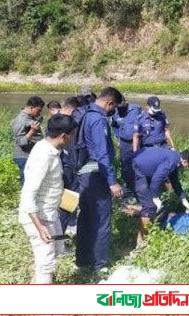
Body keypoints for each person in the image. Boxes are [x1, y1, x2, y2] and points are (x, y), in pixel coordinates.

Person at [18, 114, 78, 284]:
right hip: (38, 216)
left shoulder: (49, 149)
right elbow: (28, 194)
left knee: (56, 250)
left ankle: (36, 281)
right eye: (72, 135)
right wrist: (40, 226)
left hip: (49, 213)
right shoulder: (43, 157)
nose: (72, 138)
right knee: (46, 261)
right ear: (63, 136)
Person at [75, 87, 123, 273]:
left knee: (85, 217)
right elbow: (103, 154)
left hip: (85, 174)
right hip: (97, 174)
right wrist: (112, 181)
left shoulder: (86, 113)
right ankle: (100, 265)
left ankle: (82, 260)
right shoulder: (98, 120)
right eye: (114, 108)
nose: (113, 112)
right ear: (109, 103)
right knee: (102, 220)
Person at [132, 147, 189, 245]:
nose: (187, 169)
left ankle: (139, 214)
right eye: (188, 166)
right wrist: (154, 197)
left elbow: (175, 182)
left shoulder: (175, 159)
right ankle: (141, 241)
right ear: (185, 161)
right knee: (150, 206)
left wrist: (183, 199)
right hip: (138, 167)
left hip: (144, 166)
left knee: (150, 202)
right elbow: (157, 177)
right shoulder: (173, 161)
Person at [57, 96, 83, 235]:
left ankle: (70, 223)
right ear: (73, 109)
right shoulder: (70, 122)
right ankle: (63, 230)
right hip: (69, 166)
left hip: (65, 164)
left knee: (67, 198)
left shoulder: (57, 120)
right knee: (69, 197)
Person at [111, 97, 143, 201]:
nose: (120, 109)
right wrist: (118, 137)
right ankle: (130, 190)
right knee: (126, 168)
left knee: (139, 166)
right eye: (118, 107)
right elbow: (114, 125)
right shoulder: (115, 112)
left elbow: (144, 121)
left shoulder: (136, 109)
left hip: (137, 142)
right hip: (124, 144)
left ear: (126, 102)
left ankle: (141, 191)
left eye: (122, 106)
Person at [11, 96, 45, 187]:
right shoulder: (21, 120)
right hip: (23, 157)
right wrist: (32, 131)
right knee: (25, 184)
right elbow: (21, 142)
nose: (39, 113)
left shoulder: (30, 117)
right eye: (38, 111)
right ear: (31, 108)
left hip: (30, 155)